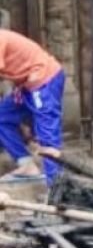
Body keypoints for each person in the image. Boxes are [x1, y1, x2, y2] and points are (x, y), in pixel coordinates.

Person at [0, 29, 64, 184]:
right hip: (26, 83)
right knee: (2, 117)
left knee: (47, 132)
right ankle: (27, 165)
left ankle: (56, 186)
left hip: (43, 79)